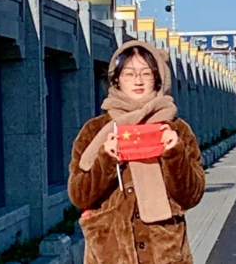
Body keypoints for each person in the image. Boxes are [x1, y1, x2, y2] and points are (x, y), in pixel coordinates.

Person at [68, 40, 205, 264]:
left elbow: (192, 196)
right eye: (129, 74)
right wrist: (106, 160)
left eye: (146, 73)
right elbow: (78, 195)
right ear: (116, 79)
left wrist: (175, 154)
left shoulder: (176, 129)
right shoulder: (95, 130)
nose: (138, 81)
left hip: (165, 253)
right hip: (110, 253)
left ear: (158, 78)